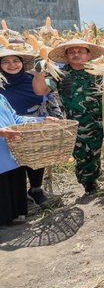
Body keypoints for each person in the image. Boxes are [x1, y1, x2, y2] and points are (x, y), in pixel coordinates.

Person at [32, 39, 104, 195]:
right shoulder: (60, 74)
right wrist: (39, 71)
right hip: (81, 119)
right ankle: (90, 184)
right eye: (72, 52)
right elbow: (40, 91)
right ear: (66, 56)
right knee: (85, 154)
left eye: (81, 51)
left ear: (88, 55)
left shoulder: (100, 70)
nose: (76, 54)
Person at [0, 44, 63, 207]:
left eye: (16, 61)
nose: (12, 65)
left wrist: (55, 117)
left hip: (35, 122)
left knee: (36, 158)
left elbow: (49, 96)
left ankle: (36, 189)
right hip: (8, 127)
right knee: (14, 162)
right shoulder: (0, 84)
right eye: (6, 62)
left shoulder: (32, 78)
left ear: (22, 63)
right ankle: (18, 197)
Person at [0, 94, 55, 225]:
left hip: (13, 154)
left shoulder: (1, 97)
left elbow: (15, 118)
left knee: (16, 208)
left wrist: (42, 120)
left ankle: (15, 216)